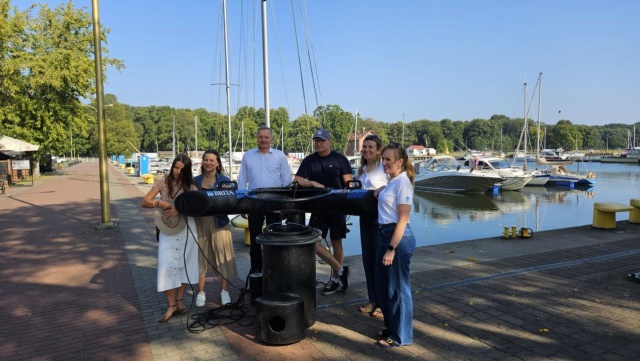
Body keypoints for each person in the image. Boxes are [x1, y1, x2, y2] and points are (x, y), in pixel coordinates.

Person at [294, 129, 353, 295]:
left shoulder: (340, 159)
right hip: (318, 207)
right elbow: (297, 180)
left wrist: (350, 199)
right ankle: (341, 271)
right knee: (313, 242)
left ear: (329, 141)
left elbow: (349, 182)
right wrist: (311, 183)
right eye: (316, 141)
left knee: (336, 243)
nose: (319, 143)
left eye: (322, 140)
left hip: (338, 207)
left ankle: (335, 280)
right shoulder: (309, 161)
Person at [142, 154, 199, 323]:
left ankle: (180, 301)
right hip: (167, 230)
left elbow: (198, 206)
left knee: (185, 264)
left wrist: (179, 210)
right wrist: (158, 203)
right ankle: (171, 305)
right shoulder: (162, 182)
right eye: (176, 167)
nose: (178, 172)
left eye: (182, 169)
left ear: (187, 170)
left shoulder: (191, 186)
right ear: (172, 166)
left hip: (188, 228)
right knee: (166, 264)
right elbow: (145, 201)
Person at [374, 143, 416, 348]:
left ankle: (401, 336)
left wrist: (391, 248)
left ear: (400, 162)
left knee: (398, 289)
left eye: (388, 159)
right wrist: (380, 190)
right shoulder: (392, 182)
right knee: (384, 288)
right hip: (384, 235)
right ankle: (392, 327)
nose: (384, 162)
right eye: (383, 159)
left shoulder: (403, 184)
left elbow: (403, 219)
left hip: (397, 239)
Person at [237, 126, 292, 275]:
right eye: (261, 137)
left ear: (271, 139)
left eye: (266, 137)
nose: (263, 140)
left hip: (274, 202)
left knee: (274, 237)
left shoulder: (280, 156)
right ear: (257, 138)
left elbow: (286, 180)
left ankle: (273, 269)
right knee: (255, 239)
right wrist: (242, 204)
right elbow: (242, 180)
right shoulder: (248, 156)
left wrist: (285, 204)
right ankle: (256, 269)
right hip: (254, 202)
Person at [193, 149, 238, 307]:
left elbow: (232, 201)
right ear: (202, 162)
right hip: (200, 223)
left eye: (212, 160)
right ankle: (201, 292)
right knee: (200, 258)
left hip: (220, 223)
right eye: (206, 160)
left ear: (218, 163)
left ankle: (224, 291)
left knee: (223, 257)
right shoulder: (195, 181)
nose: (208, 163)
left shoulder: (225, 180)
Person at [355, 134, 387, 319]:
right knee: (368, 260)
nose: (366, 149)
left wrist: (382, 189)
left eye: (370, 147)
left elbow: (393, 186)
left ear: (378, 150)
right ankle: (372, 299)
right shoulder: (362, 169)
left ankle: (383, 304)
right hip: (364, 218)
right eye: (364, 146)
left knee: (379, 261)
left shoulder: (384, 167)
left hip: (379, 219)